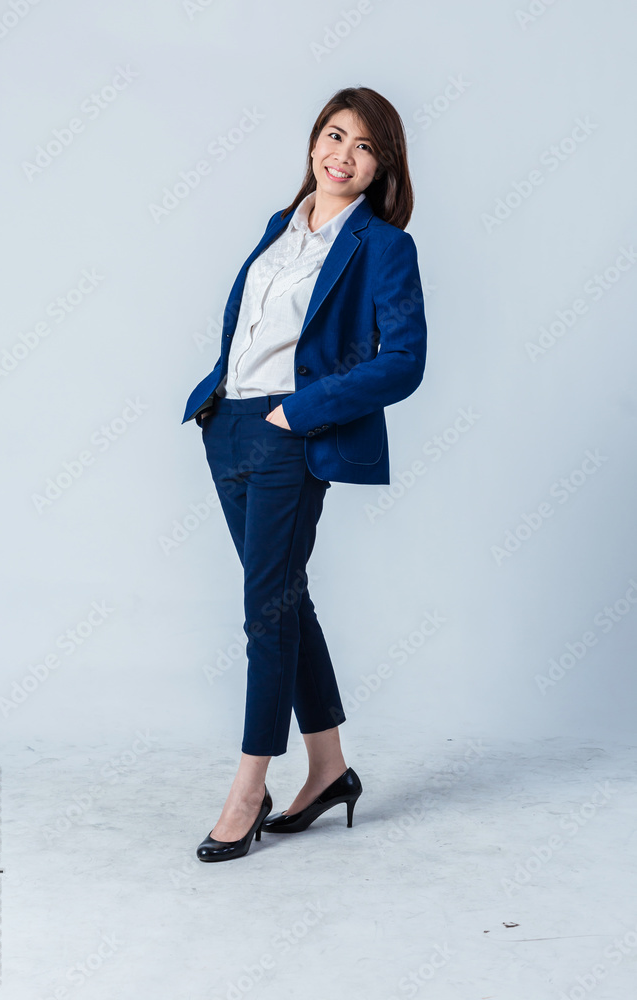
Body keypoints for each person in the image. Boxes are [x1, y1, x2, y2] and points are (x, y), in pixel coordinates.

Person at [182, 86, 427, 862]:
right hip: (230, 428)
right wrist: (220, 400)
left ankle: (248, 787)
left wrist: (304, 409)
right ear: (313, 142)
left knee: (264, 613)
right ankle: (328, 770)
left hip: (292, 433)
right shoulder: (277, 230)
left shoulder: (382, 246)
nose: (340, 155)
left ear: (381, 165)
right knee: (287, 601)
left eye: (361, 145)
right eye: (332, 135)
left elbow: (403, 361)